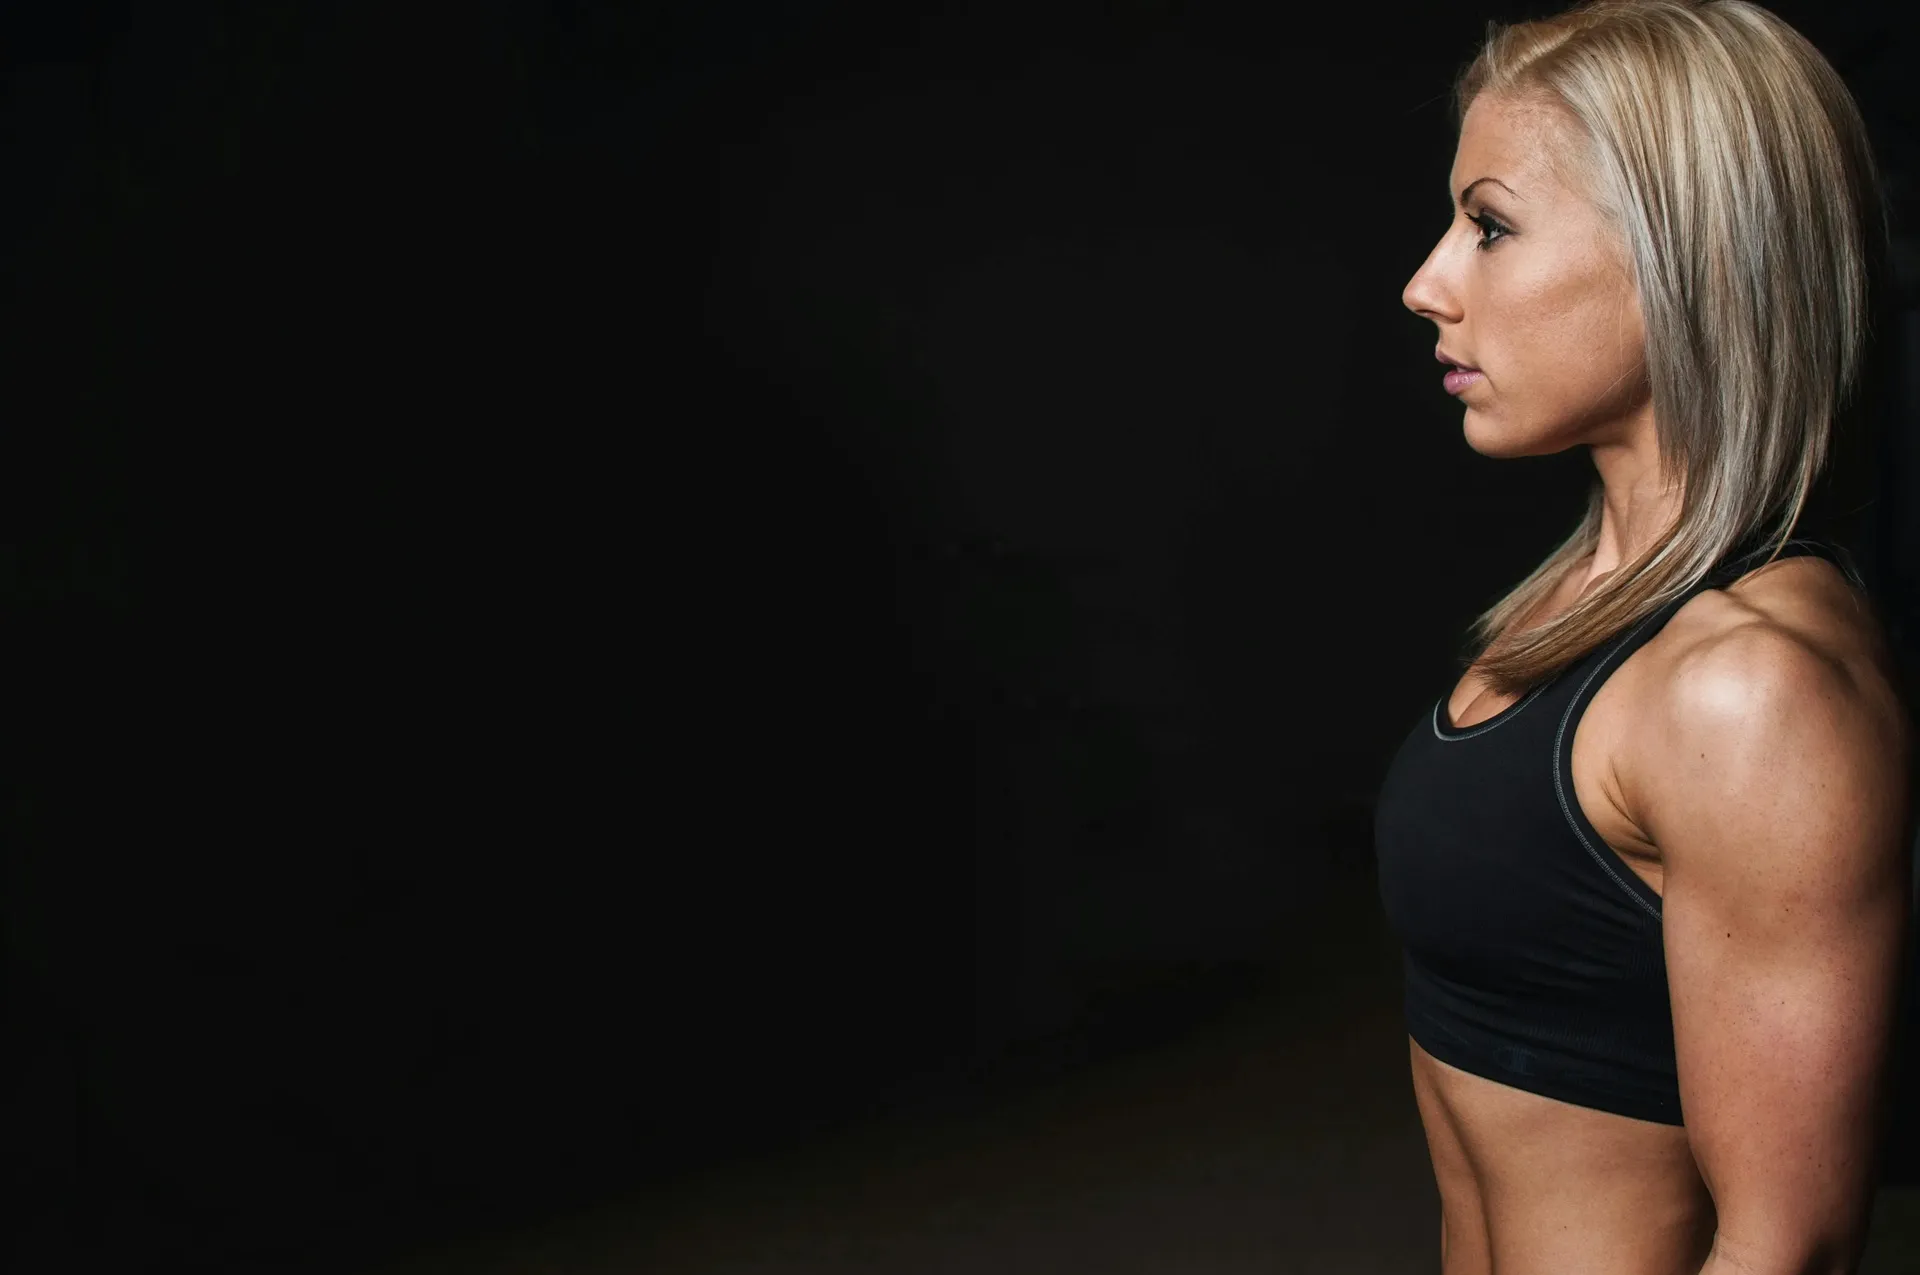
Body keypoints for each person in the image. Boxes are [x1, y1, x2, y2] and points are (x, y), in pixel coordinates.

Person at [1374, 2, 1916, 1272]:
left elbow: (1784, 1246)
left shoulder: (1751, 692)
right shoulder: (1579, 599)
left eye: (1490, 226)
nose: (1427, 283)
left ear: (1690, 259)